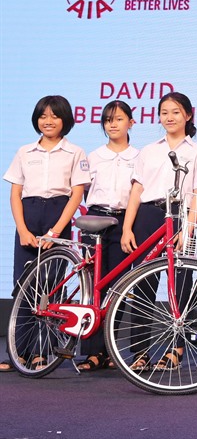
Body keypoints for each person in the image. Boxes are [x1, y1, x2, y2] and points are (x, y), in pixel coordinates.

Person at [121, 92, 197, 372]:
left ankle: (175, 349)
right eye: (164, 112)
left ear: (188, 115)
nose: (169, 117)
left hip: (180, 216)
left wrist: (189, 229)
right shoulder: (148, 150)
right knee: (142, 285)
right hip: (148, 215)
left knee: (179, 284)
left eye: (175, 112)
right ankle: (140, 351)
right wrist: (127, 227)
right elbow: (137, 190)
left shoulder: (196, 151)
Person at [2, 95, 89, 372]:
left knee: (51, 286)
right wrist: (22, 229)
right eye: (42, 116)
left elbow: (76, 194)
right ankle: (18, 352)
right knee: (23, 285)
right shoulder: (25, 151)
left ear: (65, 120)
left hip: (57, 214)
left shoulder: (75, 152)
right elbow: (15, 194)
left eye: (54, 116)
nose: (48, 121)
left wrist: (55, 231)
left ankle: (42, 352)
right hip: (28, 216)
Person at [77, 100, 138, 371]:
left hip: (124, 222)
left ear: (131, 123)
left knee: (118, 287)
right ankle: (92, 352)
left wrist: (128, 226)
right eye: (108, 120)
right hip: (94, 220)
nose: (112, 124)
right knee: (93, 286)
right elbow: (81, 191)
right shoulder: (93, 156)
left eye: (119, 119)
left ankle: (111, 350)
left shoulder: (139, 157)